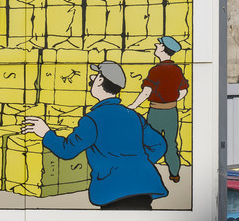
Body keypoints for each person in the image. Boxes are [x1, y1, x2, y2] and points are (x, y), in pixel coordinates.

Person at [22, 60, 168, 209]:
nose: (92, 78)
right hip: (143, 187)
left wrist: (46, 133)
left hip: (113, 191)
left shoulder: (92, 119)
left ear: (100, 81)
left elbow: (67, 150)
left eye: (96, 75)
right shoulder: (133, 116)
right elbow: (159, 145)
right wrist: (135, 165)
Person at [132, 36, 189, 184]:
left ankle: (145, 173)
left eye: (159, 44)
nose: (156, 45)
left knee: (150, 143)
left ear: (163, 48)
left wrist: (133, 106)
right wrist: (172, 100)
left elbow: (146, 92)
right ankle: (174, 174)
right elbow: (183, 91)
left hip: (156, 112)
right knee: (171, 144)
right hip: (171, 112)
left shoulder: (156, 70)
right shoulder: (177, 70)